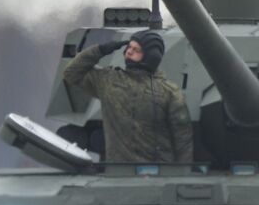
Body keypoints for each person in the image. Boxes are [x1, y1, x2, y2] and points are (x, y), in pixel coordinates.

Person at [62, 30, 194, 163]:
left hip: (158, 171)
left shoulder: (168, 92)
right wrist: (100, 50)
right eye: (129, 47)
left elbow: (182, 138)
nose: (129, 52)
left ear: (151, 57)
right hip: (119, 169)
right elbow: (71, 73)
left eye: (137, 50)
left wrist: (181, 173)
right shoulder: (109, 81)